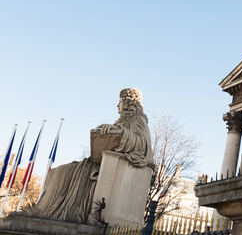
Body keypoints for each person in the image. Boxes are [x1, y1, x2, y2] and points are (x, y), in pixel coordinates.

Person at [23, 88, 153, 223]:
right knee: (55, 171)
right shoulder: (126, 119)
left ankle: (44, 211)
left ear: (127, 103)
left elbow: (142, 145)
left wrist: (120, 131)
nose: (117, 105)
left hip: (105, 166)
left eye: (119, 102)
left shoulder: (138, 119)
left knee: (62, 172)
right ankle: (43, 209)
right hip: (98, 163)